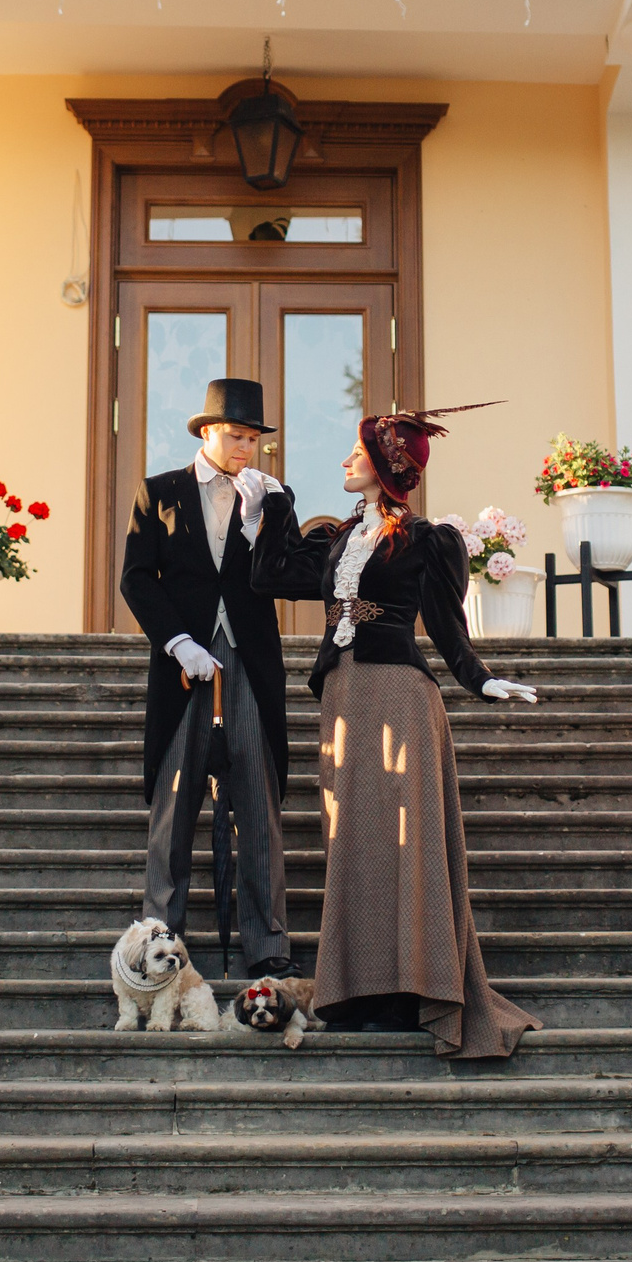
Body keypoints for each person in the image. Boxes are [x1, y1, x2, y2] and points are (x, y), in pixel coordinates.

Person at [254, 404, 543, 1059]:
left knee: (402, 842)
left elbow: (447, 627)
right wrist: (274, 504)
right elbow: (265, 575)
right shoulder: (334, 539)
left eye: (356, 454)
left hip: (399, 697)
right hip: (344, 697)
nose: (345, 463)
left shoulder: (423, 540)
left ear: (385, 465)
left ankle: (411, 990)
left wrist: (482, 679)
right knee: (352, 840)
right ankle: (358, 991)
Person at [120, 377, 300, 981]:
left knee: (258, 796)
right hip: (184, 666)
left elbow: (288, 576)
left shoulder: (273, 498)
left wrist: (262, 524)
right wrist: (177, 641)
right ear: (206, 431)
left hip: (250, 660)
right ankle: (156, 945)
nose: (246, 448)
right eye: (236, 435)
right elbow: (137, 579)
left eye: (254, 438)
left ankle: (268, 944)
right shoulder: (159, 492)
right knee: (174, 801)